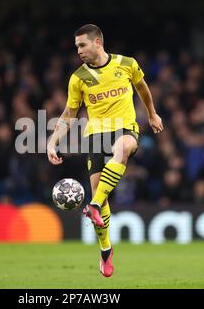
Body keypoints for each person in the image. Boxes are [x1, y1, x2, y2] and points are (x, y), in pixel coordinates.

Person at [47, 24, 163, 277]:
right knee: (102, 190)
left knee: (124, 147)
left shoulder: (126, 64)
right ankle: (105, 250)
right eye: (77, 46)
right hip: (95, 136)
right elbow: (69, 114)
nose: (78, 50)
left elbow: (142, 88)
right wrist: (52, 140)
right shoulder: (79, 78)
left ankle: (95, 204)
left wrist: (152, 114)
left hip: (125, 127)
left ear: (97, 42)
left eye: (82, 45)